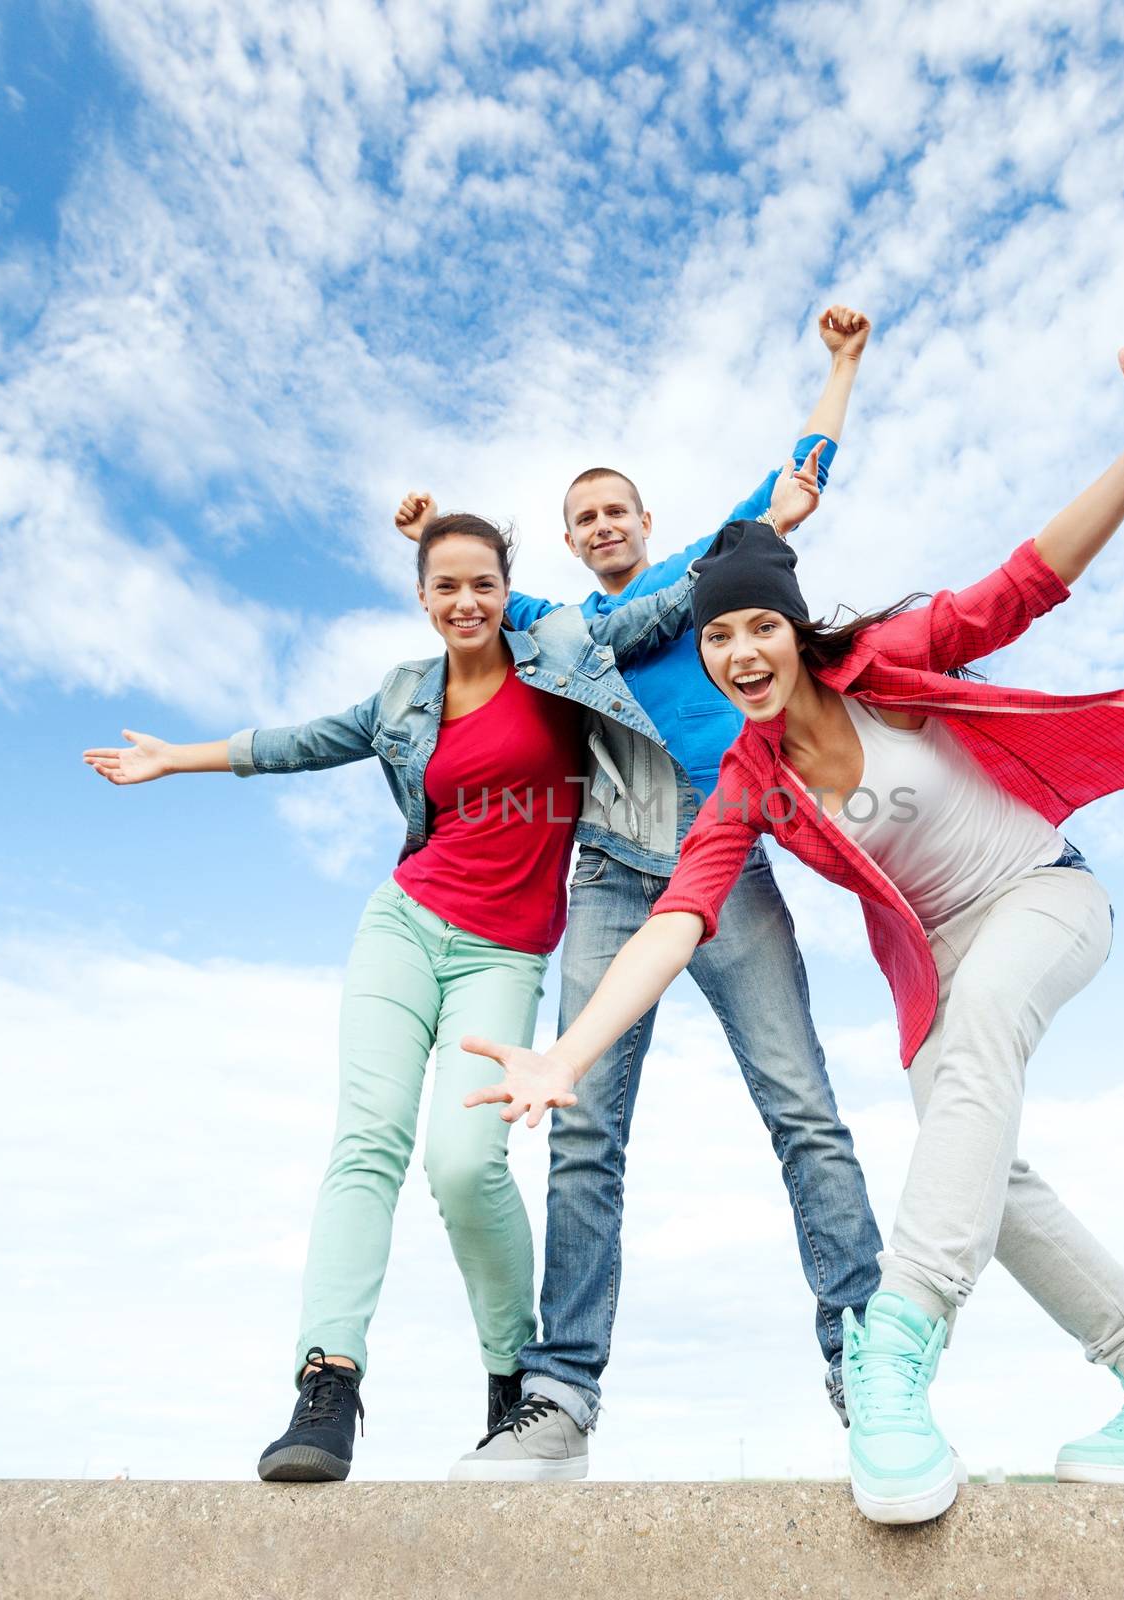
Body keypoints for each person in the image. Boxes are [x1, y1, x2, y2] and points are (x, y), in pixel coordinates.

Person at [462, 345, 1124, 1522]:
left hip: (1043, 895)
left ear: (791, 627)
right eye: (718, 641)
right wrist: (567, 1056)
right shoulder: (747, 773)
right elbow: (679, 917)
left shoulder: (891, 661)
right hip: (943, 965)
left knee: (973, 1052)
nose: (737, 655)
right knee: (981, 1167)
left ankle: (892, 1350)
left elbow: (1023, 583)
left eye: (756, 633)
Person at [79, 498, 756, 1482]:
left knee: (463, 1160)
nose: (468, 599)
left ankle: (509, 1379)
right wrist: (176, 757)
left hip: (504, 952)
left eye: (485, 582)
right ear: (423, 597)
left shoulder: (561, 654)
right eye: (448, 585)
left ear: (505, 589)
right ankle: (329, 1383)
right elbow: (304, 740)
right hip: (403, 926)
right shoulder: (404, 693)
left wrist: (757, 532)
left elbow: (659, 610)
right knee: (367, 1144)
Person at [396, 308, 887, 1482]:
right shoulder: (551, 625)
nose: (603, 523)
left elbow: (796, 481)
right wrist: (420, 534)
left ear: (647, 521)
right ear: (569, 542)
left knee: (801, 1107)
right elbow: (464, 599)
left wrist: (840, 368)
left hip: (726, 855)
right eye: (584, 518)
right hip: (613, 873)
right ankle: (559, 1396)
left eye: (617, 508)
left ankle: (869, 1361)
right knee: (581, 1129)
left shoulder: (700, 573)